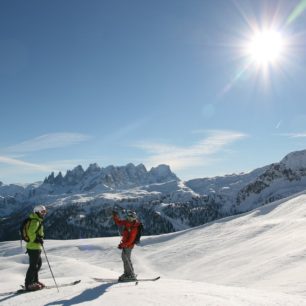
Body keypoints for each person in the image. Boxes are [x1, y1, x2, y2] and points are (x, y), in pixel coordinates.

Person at [112, 210, 141, 281]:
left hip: (128, 246)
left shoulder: (134, 227)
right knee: (125, 259)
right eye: (127, 217)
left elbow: (131, 241)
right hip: (125, 244)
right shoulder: (127, 222)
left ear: (133, 218)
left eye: (129, 217)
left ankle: (130, 275)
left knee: (126, 259)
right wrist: (115, 217)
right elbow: (119, 222)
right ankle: (128, 273)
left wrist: (122, 245)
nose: (127, 218)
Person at [24, 205, 47, 291]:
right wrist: (38, 239)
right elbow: (31, 234)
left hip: (35, 247)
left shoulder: (37, 220)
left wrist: (39, 240)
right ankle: (28, 284)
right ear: (37, 212)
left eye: (45, 212)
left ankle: (35, 281)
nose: (44, 214)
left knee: (38, 264)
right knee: (33, 266)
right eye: (42, 212)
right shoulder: (35, 221)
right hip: (33, 247)